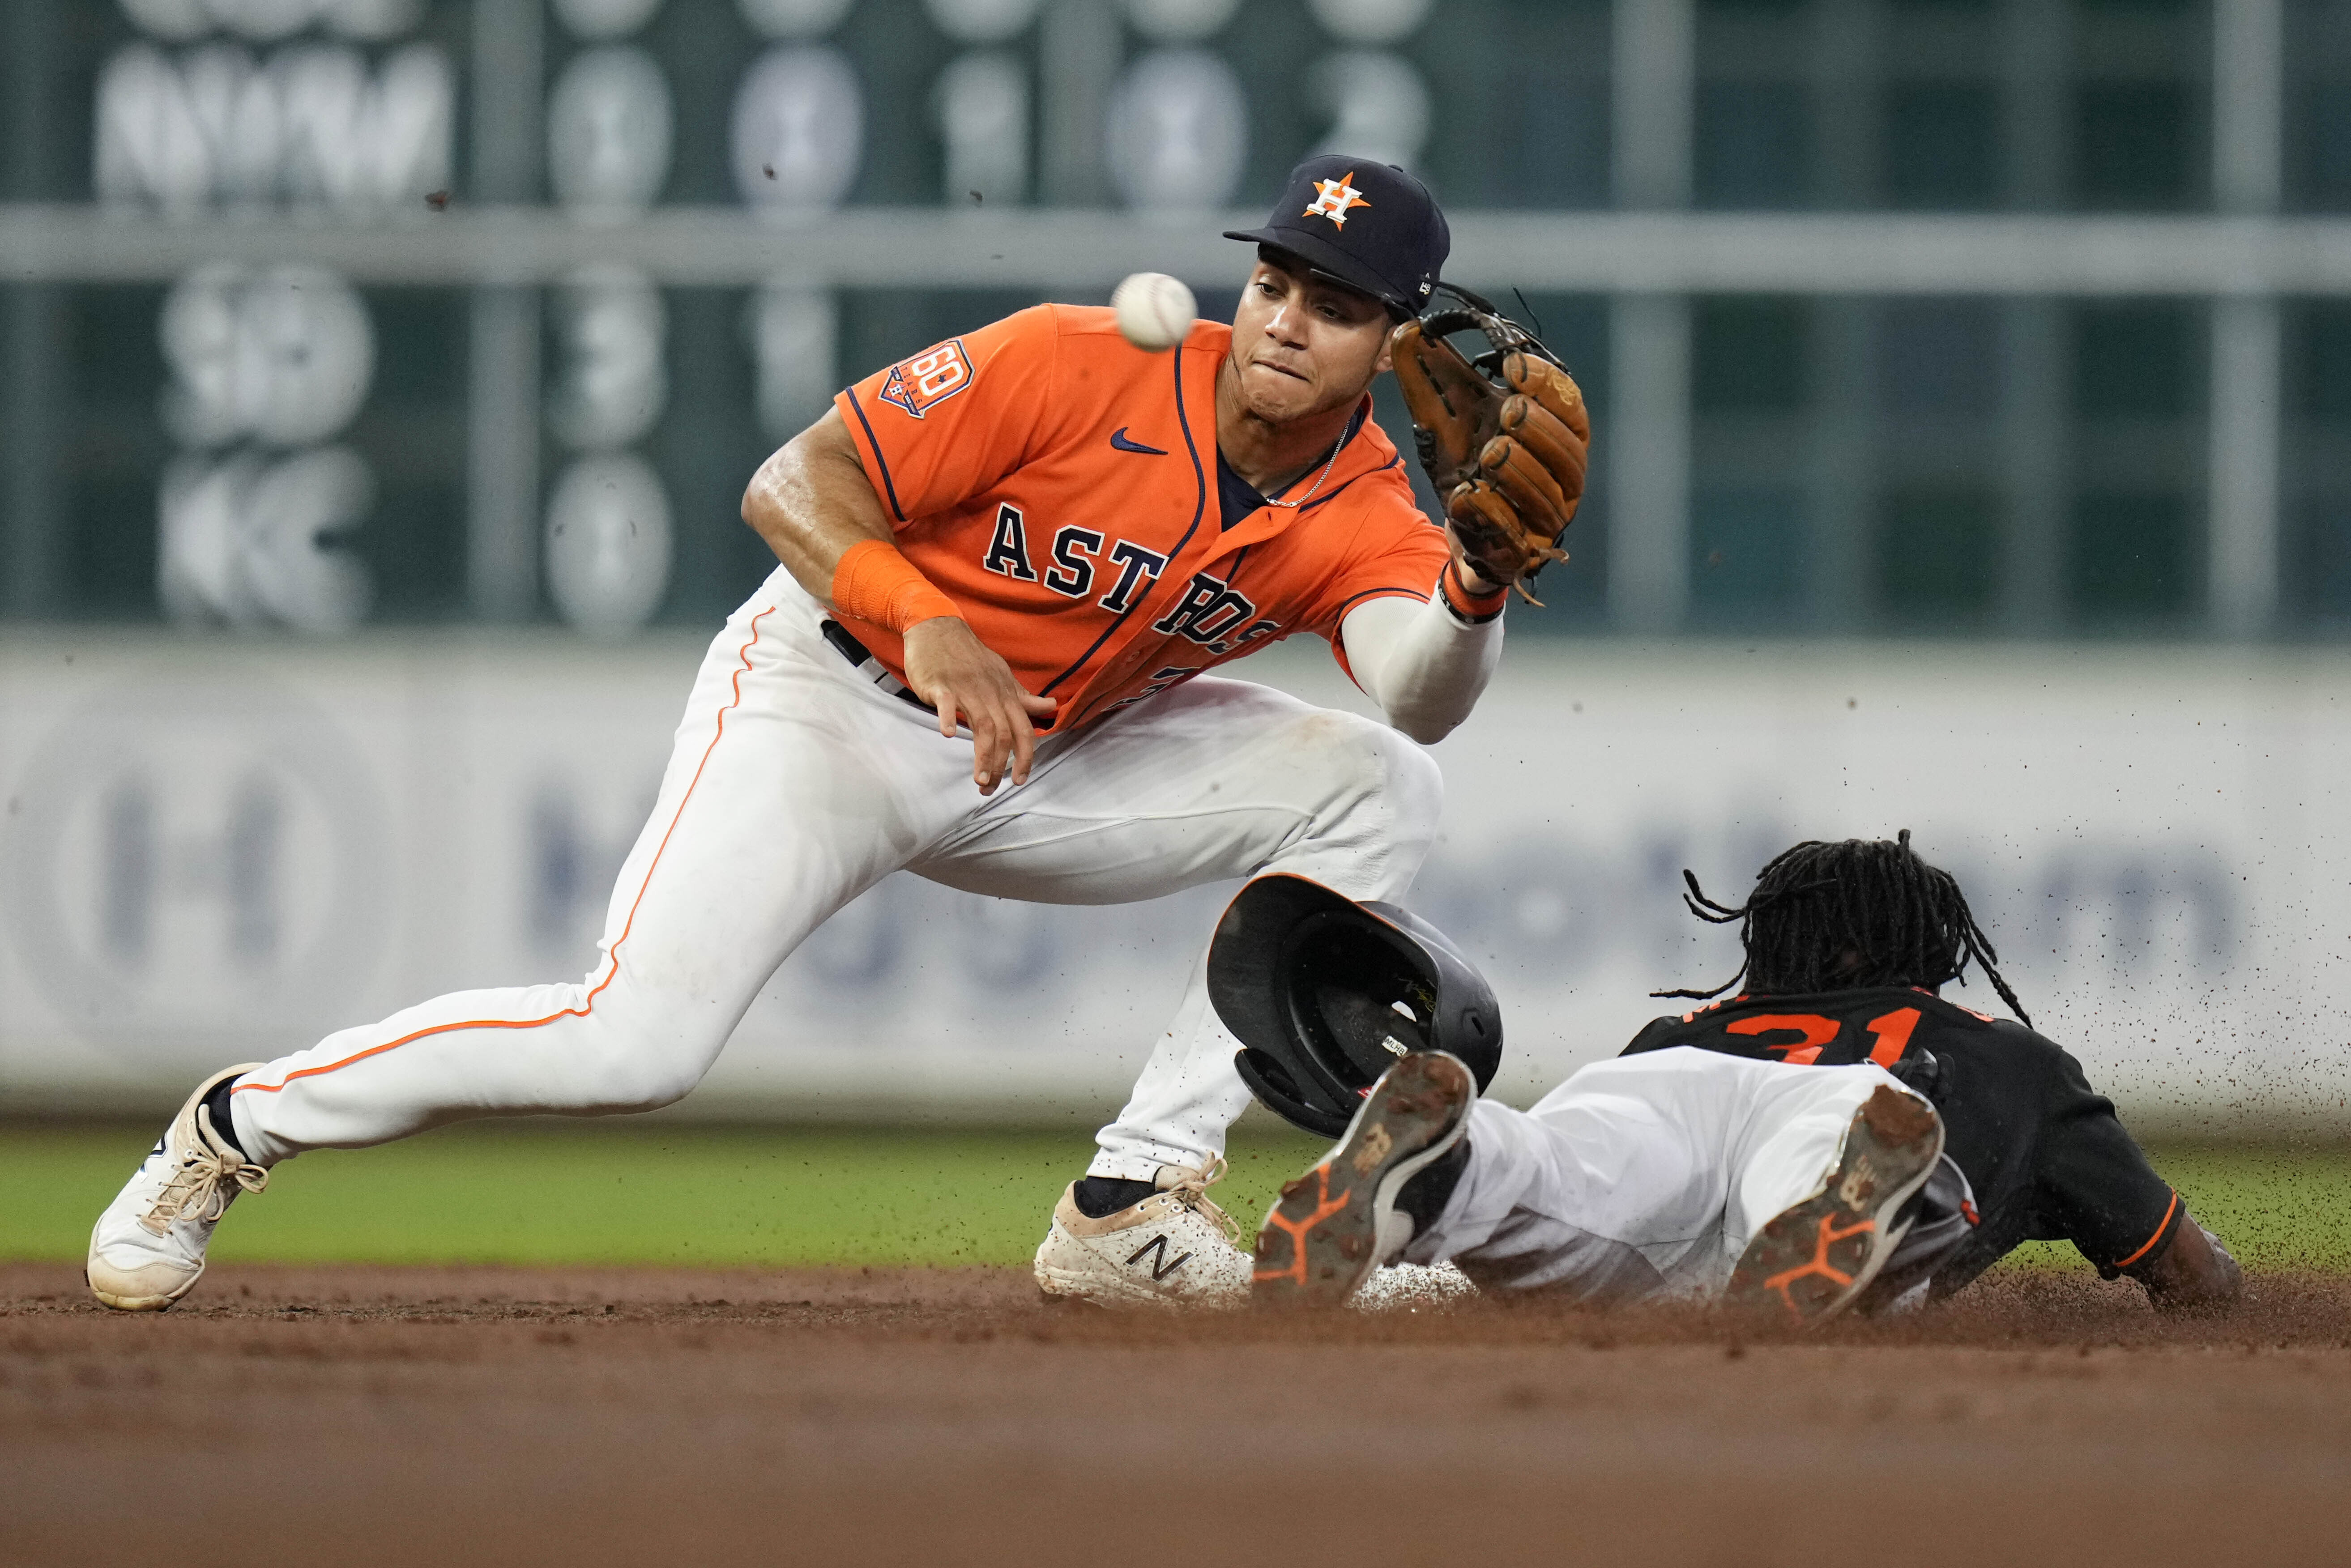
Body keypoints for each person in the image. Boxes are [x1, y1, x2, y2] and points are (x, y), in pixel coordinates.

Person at [85, 156, 1588, 1313]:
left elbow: (1417, 690)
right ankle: (236, 1120)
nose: (1284, 318)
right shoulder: (1079, 360)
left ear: (1393, 340)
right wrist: (921, 617)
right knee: (631, 1046)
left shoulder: (1367, 510)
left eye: (1332, 303)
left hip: (1043, 759)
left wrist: (1474, 588)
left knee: (1381, 781)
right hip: (830, 699)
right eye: (1273, 278)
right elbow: (790, 484)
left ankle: (1132, 1198)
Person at [1250, 832, 2244, 1318]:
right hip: (1862, 1106)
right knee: (1828, 1147)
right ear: (1913, 949)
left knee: (1549, 1176)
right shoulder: (2009, 1061)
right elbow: (2188, 1276)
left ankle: (1455, 1165)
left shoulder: (1674, 1030)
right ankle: (1830, 1202)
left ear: (1767, 939)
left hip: (1653, 1092)